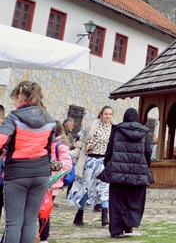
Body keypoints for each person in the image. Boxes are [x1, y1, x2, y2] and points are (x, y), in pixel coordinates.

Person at [0, 81, 56, 243]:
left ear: (19, 97)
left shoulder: (14, 117)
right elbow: (49, 148)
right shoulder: (49, 119)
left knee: (13, 223)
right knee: (30, 221)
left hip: (17, 175)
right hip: (40, 174)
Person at [96, 108, 154, 238]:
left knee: (117, 202)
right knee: (133, 200)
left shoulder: (117, 130)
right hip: (138, 173)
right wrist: (145, 168)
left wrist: (109, 166)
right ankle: (128, 225)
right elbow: (148, 153)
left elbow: (109, 151)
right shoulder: (143, 132)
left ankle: (117, 231)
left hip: (118, 173)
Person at [69, 105, 114, 227]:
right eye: (106, 114)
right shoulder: (92, 125)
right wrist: (85, 146)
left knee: (104, 187)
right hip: (90, 160)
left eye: (110, 114)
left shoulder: (113, 128)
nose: (108, 116)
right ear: (101, 114)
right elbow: (81, 139)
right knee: (86, 187)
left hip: (103, 161)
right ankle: (80, 213)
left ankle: (105, 216)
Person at [39, 121, 73, 243]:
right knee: (38, 209)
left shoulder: (60, 147)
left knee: (44, 210)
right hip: (40, 181)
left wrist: (50, 166)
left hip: (52, 184)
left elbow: (67, 165)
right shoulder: (42, 144)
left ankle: (44, 237)